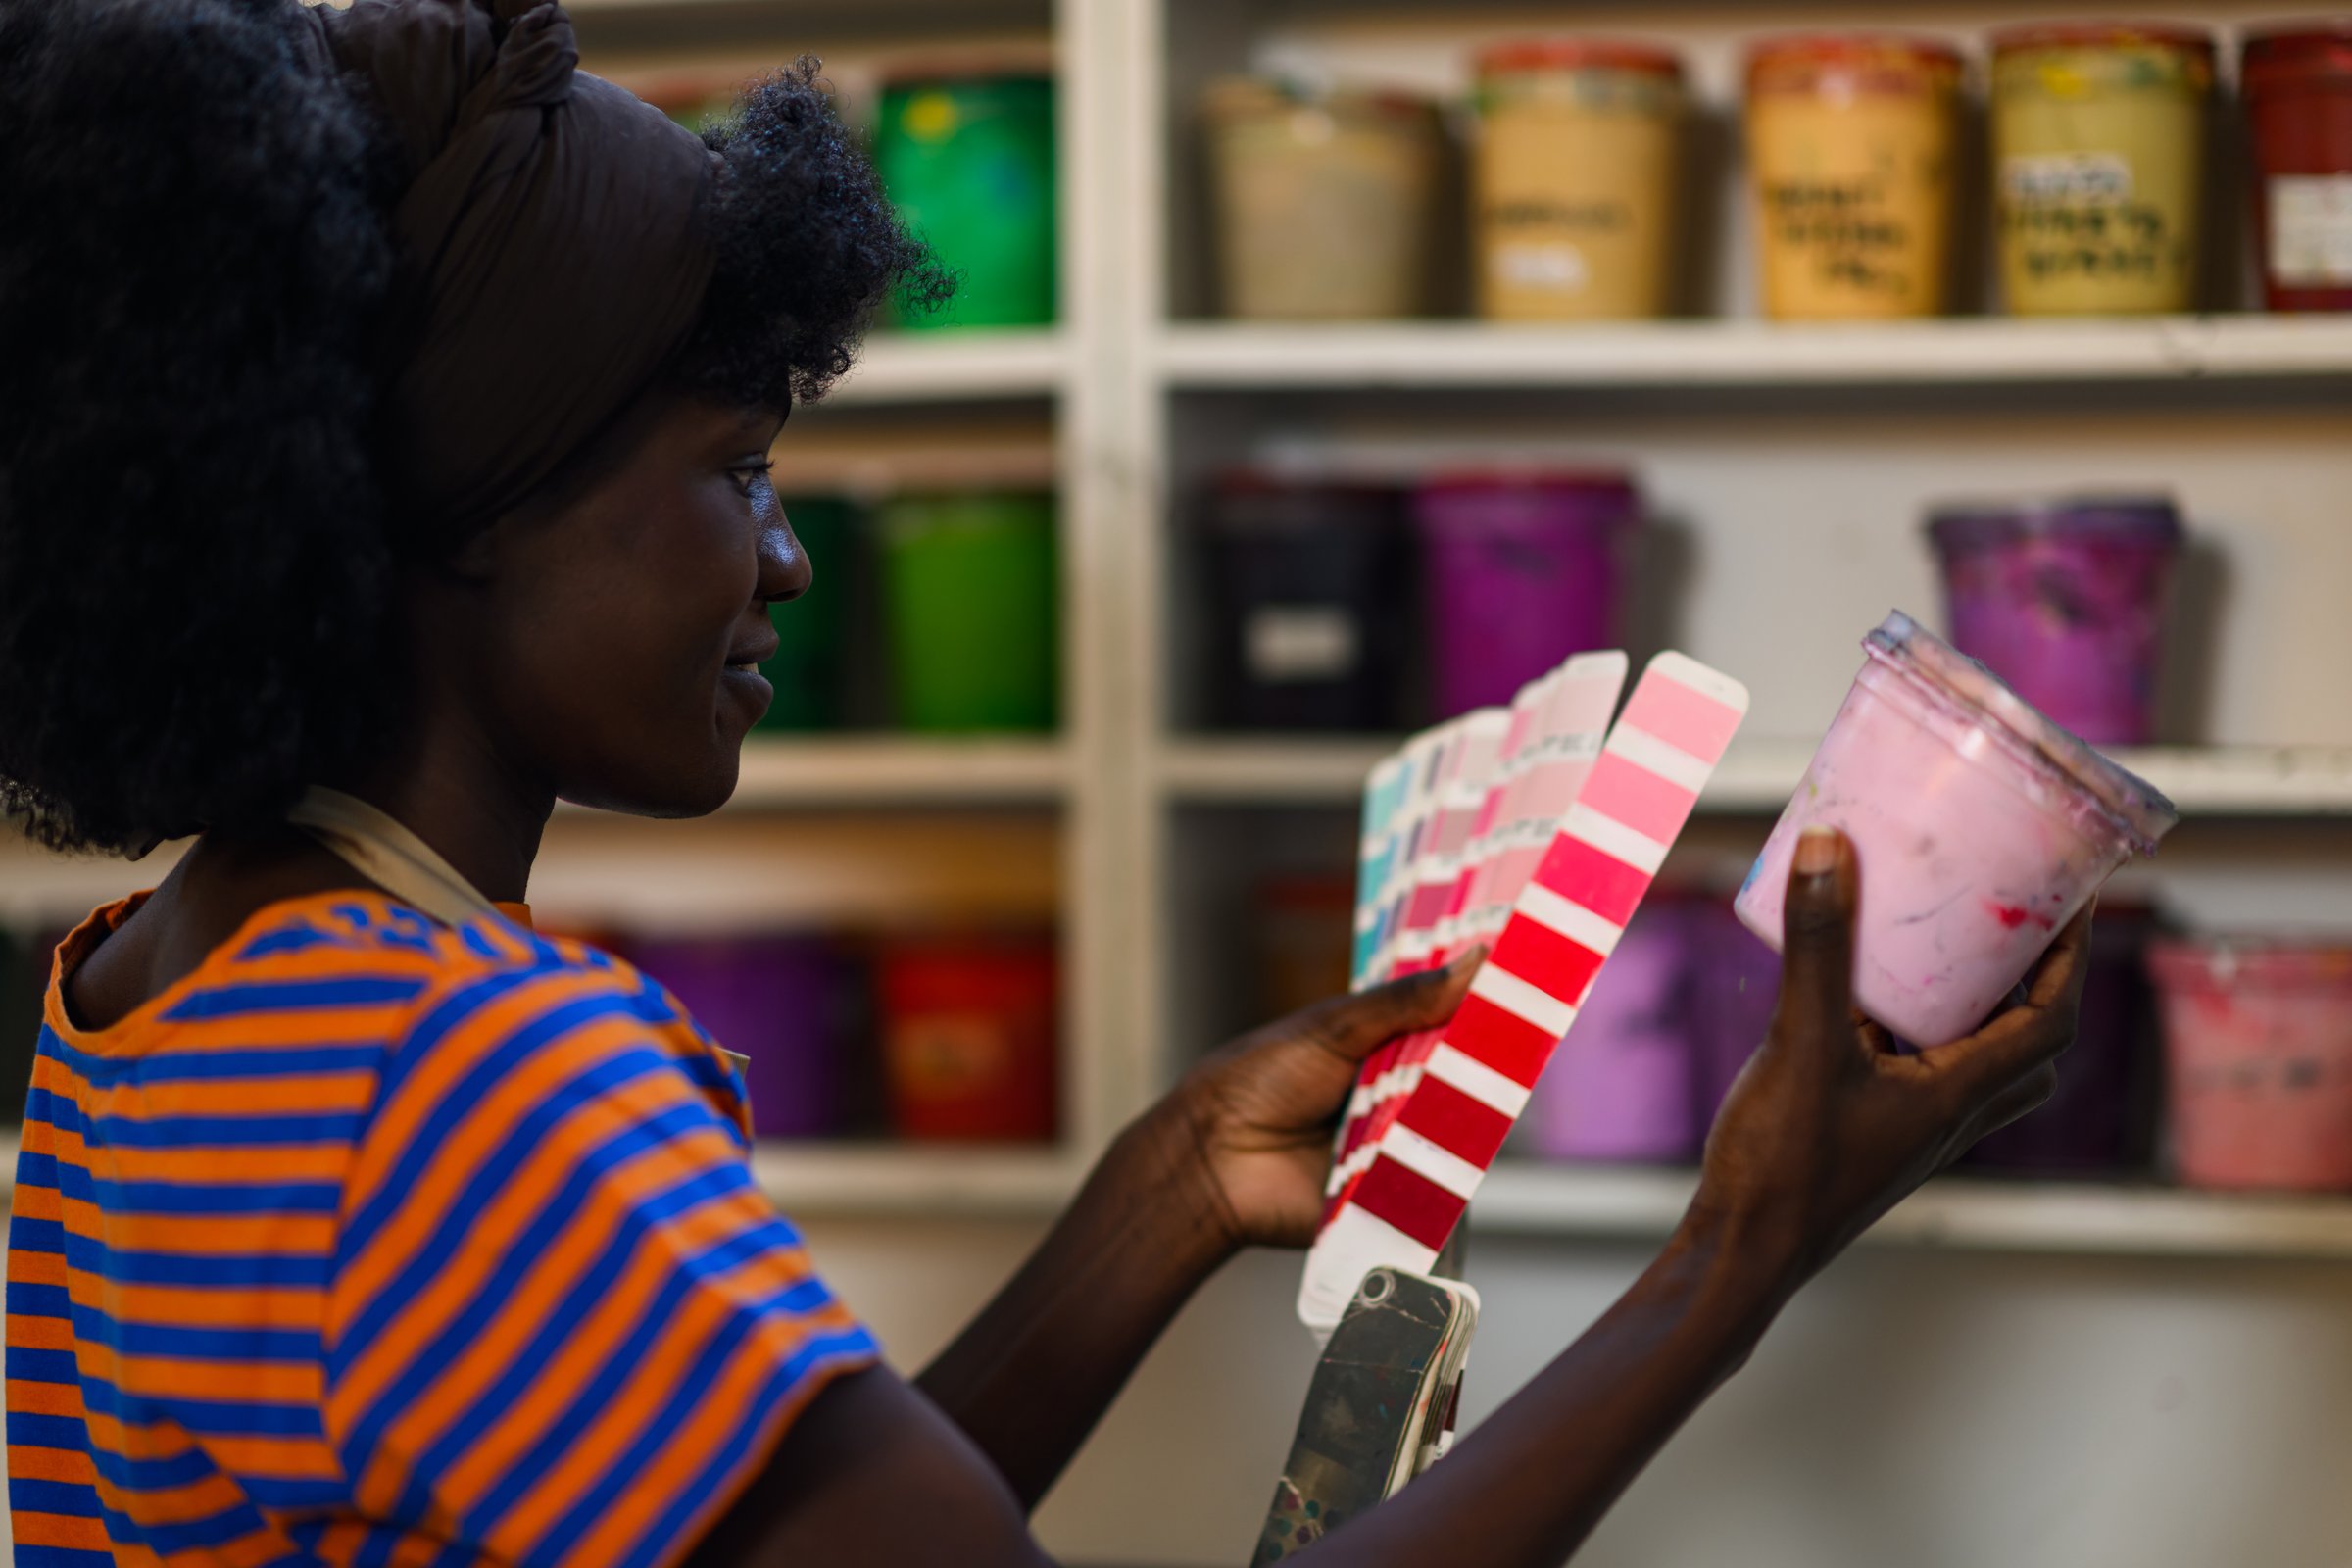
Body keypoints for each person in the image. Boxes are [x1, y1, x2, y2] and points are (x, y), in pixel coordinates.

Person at [0, 1, 2089, 1563]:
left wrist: (1170, 1184)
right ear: (477, 509)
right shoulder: (463, 1077)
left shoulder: (151, 981)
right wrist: (1741, 1246)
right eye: (733, 473)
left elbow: (791, 1527)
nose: (787, 554)